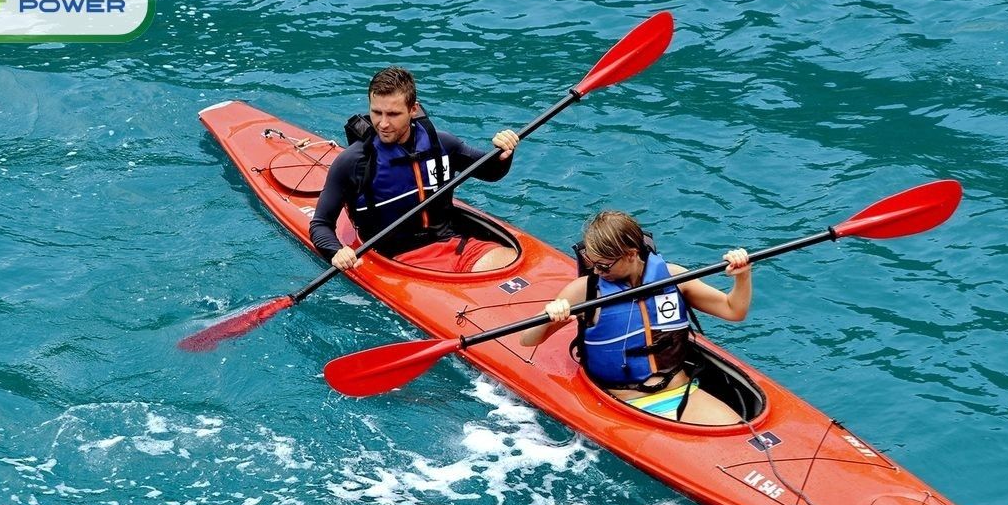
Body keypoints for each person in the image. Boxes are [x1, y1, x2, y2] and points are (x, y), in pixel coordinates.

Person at [520, 211, 752, 425]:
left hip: (681, 395)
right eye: (593, 264)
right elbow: (527, 339)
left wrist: (742, 276)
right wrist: (551, 316)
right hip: (619, 404)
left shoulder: (673, 277)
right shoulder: (584, 291)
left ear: (631, 254)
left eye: (603, 266)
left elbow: (734, 311)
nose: (597, 272)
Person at [309, 66, 520, 273]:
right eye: (376, 112)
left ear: (413, 109)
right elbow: (320, 225)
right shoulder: (352, 162)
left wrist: (503, 154)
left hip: (455, 245)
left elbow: (491, 172)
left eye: (393, 114)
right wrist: (336, 252)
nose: (382, 123)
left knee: (513, 264)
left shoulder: (441, 144)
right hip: (397, 260)